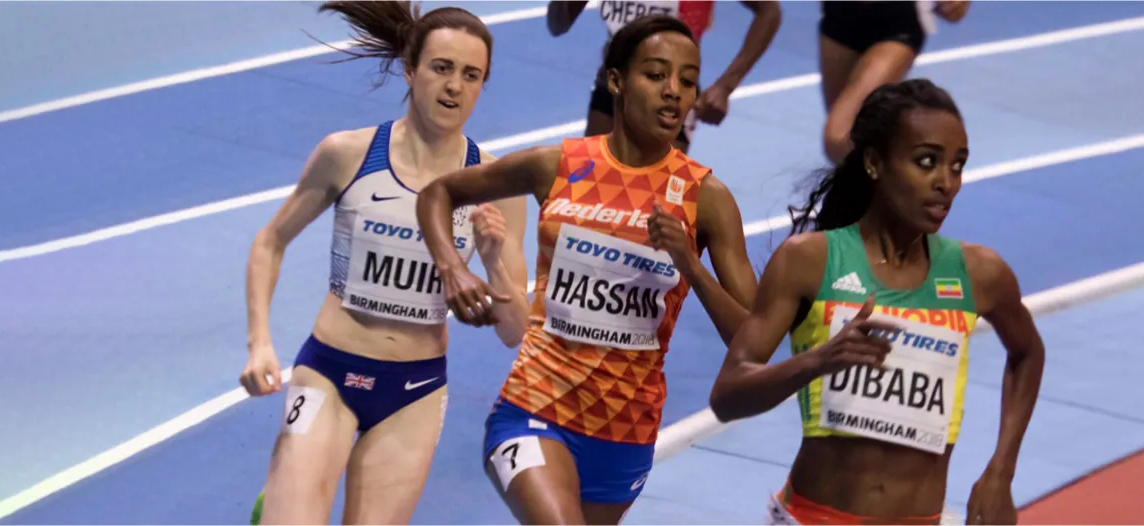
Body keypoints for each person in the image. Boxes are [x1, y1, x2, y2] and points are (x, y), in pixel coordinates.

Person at [415, 15, 759, 524]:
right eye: (656, 75)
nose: (673, 92)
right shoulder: (557, 165)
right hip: (533, 407)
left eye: (687, 81)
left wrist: (690, 263)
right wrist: (452, 267)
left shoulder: (706, 199)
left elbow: (753, 339)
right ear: (615, 81)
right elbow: (439, 192)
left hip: (625, 431)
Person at [238, 2, 531, 523]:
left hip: (414, 391)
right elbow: (270, 241)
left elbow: (514, 332)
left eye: (472, 75)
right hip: (329, 370)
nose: (455, 88)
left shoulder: (496, 186)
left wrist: (493, 264)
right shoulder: (348, 154)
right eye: (442, 68)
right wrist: (260, 342)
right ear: (410, 68)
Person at [708, 78, 1046, 525]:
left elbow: (1027, 352)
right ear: (874, 162)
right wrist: (816, 362)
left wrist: (1000, 472)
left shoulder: (979, 274)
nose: (946, 182)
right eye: (926, 162)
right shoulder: (809, 261)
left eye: (957, 165)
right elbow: (727, 396)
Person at [545, 0, 782, 152]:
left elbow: (769, 12)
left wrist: (725, 86)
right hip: (615, 90)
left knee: (652, 209)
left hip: (670, 95)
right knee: (592, 202)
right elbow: (557, 25)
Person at [819, 1, 969, 163]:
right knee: (855, 144)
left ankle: (916, 174)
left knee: (839, 136)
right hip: (838, 14)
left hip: (897, 18)